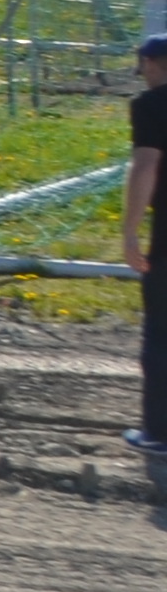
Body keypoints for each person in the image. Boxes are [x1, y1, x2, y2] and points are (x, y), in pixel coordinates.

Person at [121, 33, 167, 454]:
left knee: (161, 331)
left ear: (152, 63)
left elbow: (147, 165)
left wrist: (130, 230)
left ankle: (159, 431)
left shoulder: (150, 106)